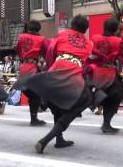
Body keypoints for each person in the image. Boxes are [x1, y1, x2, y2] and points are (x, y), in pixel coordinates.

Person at [18, 15, 93, 153]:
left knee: (55, 104)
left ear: (71, 25)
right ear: (85, 29)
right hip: (73, 72)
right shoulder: (89, 43)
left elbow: (50, 53)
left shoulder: (61, 35)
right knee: (87, 99)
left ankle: (58, 137)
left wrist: (51, 70)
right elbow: (86, 63)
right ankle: (48, 138)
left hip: (52, 68)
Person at [84, 18, 123, 133]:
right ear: (115, 29)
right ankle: (106, 122)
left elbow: (88, 54)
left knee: (100, 93)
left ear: (104, 27)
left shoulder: (94, 38)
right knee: (117, 95)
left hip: (94, 72)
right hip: (109, 73)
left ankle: (96, 99)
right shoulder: (118, 41)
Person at [15, 20, 47, 126]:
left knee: (30, 93)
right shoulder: (42, 39)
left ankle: (34, 117)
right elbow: (45, 52)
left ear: (28, 28)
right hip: (33, 67)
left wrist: (22, 59)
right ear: (39, 28)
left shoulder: (21, 37)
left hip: (24, 67)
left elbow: (18, 50)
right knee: (36, 93)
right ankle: (34, 118)